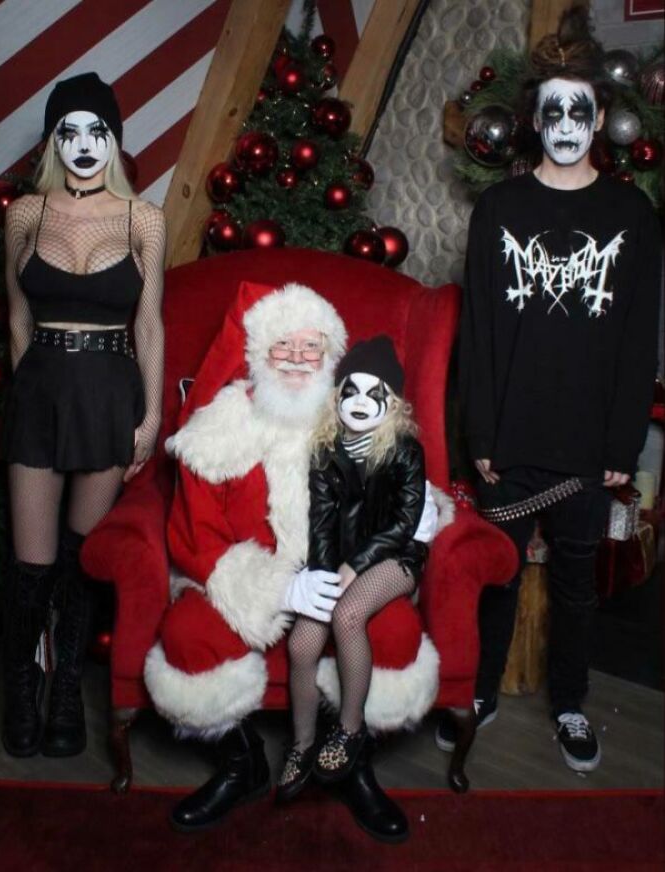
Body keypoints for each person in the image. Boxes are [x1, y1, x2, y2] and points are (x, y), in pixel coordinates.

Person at [144, 283, 446, 841]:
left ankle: (350, 759)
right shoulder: (219, 429)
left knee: (395, 631)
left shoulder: (355, 416)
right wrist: (278, 590)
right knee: (188, 634)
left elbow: (403, 496)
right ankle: (242, 763)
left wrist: (354, 569)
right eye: (283, 345)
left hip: (345, 574)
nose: (298, 359)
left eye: (312, 346)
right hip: (246, 579)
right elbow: (195, 535)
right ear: (257, 353)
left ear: (331, 355)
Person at [446, 7, 662, 773]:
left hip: (588, 442)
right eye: (552, 112)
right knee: (497, 577)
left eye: (580, 111)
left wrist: (622, 441)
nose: (566, 125)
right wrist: (479, 435)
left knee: (575, 585)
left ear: (600, 118)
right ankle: (479, 692)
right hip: (510, 436)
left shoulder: (631, 214)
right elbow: (477, 333)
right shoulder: (499, 211)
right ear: (534, 121)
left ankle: (570, 703)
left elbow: (638, 341)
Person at [2, 72, 166, 758]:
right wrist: (26, 389)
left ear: (115, 140)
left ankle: (67, 691)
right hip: (41, 393)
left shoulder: (142, 220)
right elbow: (16, 318)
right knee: (31, 565)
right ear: (52, 142)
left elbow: (149, 325)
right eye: (67, 131)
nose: (83, 144)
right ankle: (22, 691)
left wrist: (150, 418)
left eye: (96, 130)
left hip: (107, 395)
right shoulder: (26, 214)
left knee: (79, 560)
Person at [277, 336, 434, 818]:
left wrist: (355, 566)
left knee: (347, 616)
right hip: (340, 558)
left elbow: (404, 523)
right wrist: (324, 573)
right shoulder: (325, 450)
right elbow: (321, 523)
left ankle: (349, 730)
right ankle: (303, 744)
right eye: (352, 389)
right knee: (302, 643)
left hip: (395, 557)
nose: (361, 401)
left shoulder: (405, 451)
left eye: (375, 392)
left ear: (394, 402)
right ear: (337, 395)